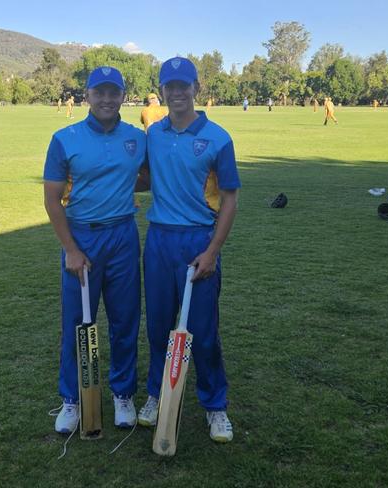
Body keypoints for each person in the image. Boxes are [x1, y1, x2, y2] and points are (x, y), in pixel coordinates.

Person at [137, 57, 240, 443]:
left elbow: (229, 199)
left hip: (198, 240)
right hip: (160, 239)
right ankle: (155, 395)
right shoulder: (153, 135)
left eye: (184, 85)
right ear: (161, 91)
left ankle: (215, 406)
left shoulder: (218, 138)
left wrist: (213, 251)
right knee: (159, 327)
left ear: (197, 88)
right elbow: (142, 179)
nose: (177, 93)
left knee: (203, 331)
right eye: (170, 86)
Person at [43, 66, 147, 434]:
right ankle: (72, 400)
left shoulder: (137, 138)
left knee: (125, 320)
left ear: (122, 95)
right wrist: (70, 249)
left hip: (122, 236)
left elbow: (148, 177)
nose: (106, 99)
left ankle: (122, 394)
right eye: (99, 92)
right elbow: (52, 200)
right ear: (87, 95)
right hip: (81, 238)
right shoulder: (64, 138)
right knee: (77, 322)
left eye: (113, 92)